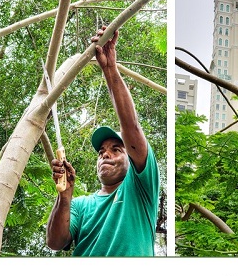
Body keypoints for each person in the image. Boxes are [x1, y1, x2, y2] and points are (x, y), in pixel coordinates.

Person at [46, 26, 160, 256]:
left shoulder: (140, 189)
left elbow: (131, 127)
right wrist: (64, 196)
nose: (105, 154)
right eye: (101, 152)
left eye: (116, 149)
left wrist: (110, 69)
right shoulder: (79, 206)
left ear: (130, 156)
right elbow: (55, 242)